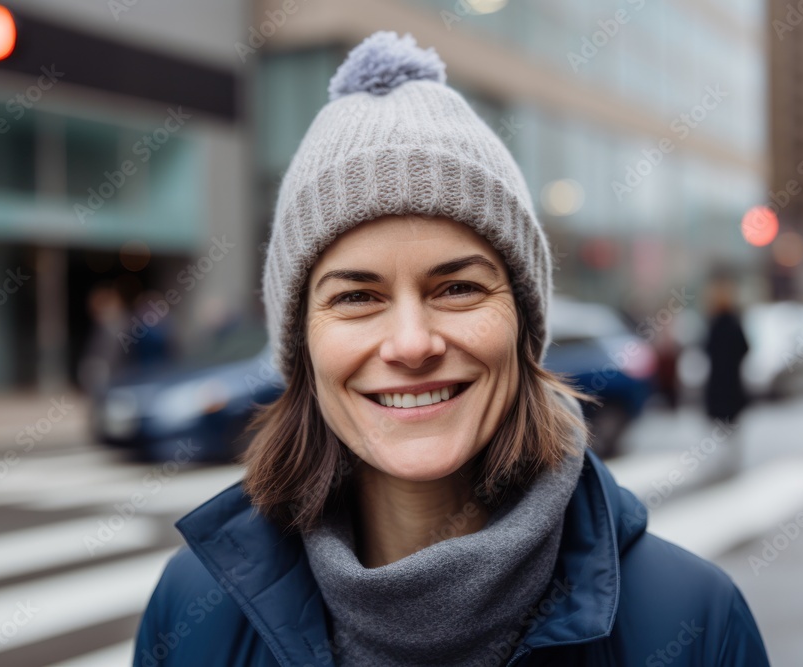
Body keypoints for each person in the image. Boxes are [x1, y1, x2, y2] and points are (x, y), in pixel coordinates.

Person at [133, 32, 770, 666]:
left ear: (523, 325)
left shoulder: (696, 624)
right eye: (357, 298)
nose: (412, 344)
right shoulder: (192, 612)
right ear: (301, 345)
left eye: (458, 288)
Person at [702, 275, 751, 476]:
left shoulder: (721, 323)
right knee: (730, 424)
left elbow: (707, 349)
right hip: (728, 382)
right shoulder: (728, 322)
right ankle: (730, 458)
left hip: (723, 382)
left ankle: (728, 459)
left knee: (725, 424)